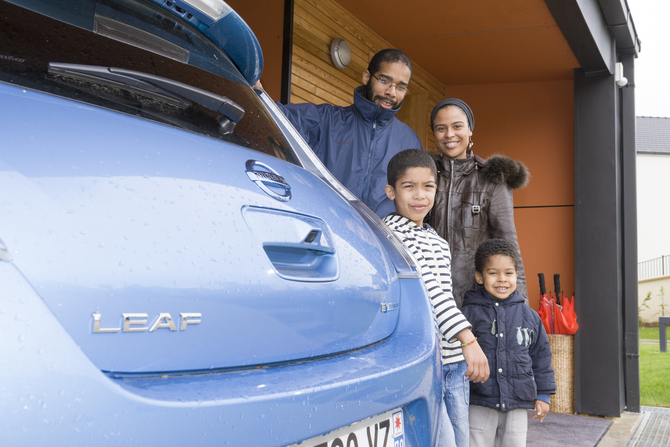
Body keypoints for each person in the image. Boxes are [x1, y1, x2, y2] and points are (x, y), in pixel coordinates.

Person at [382, 149, 489, 447]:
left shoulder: (438, 241)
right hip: (427, 365)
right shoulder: (391, 234)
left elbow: (447, 297)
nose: (420, 196)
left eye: (428, 186)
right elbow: (430, 292)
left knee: (460, 440)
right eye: (409, 186)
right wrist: (468, 339)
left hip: (454, 363)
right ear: (390, 190)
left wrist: (460, 346)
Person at [256, 49, 421, 218]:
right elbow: (273, 114)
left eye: (401, 87)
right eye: (385, 80)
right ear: (366, 77)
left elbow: (416, 198)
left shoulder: (409, 141)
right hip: (330, 230)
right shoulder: (326, 120)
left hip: (381, 241)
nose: (392, 92)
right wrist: (257, 92)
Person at [426, 98, 529, 307]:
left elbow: (507, 246)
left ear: (470, 130)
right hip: (428, 297)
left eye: (457, 126)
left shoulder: (491, 179)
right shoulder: (424, 175)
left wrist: (521, 306)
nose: (449, 135)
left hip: (477, 302)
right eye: (441, 128)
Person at [461, 238, 556, 447]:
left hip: (517, 402)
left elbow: (541, 357)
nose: (502, 279)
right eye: (493, 273)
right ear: (479, 276)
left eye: (509, 273)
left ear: (516, 275)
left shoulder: (530, 317)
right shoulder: (466, 315)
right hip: (479, 400)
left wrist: (543, 394)